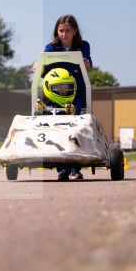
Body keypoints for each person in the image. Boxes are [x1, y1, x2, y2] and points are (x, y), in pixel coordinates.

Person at [42, 15, 92, 180]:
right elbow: (43, 70)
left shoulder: (82, 46)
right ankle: (62, 168)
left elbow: (87, 62)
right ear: (57, 31)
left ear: (75, 31)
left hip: (76, 96)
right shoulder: (51, 48)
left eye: (68, 31)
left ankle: (75, 168)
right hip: (56, 97)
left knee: (75, 129)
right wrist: (37, 67)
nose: (64, 34)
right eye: (61, 30)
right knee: (57, 130)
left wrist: (87, 64)